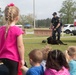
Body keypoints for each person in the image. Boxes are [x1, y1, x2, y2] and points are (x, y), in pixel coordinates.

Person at [0, 3, 25, 75]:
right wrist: (22, 59)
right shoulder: (17, 30)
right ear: (17, 18)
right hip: (13, 59)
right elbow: (20, 46)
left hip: (2, 58)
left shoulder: (1, 29)